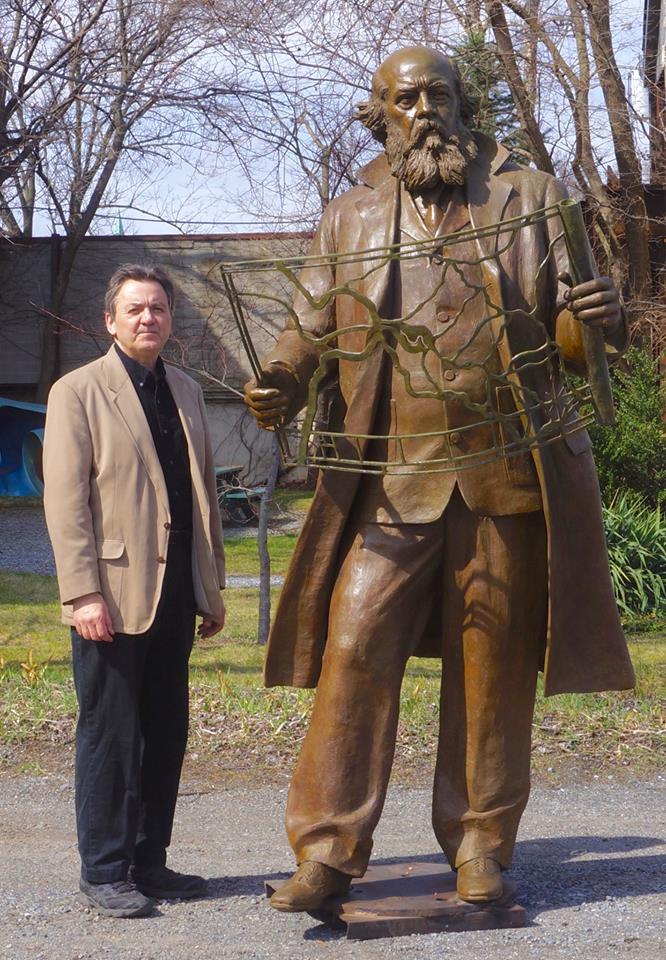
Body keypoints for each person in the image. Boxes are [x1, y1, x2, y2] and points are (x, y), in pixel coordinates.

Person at [244, 46, 634, 911]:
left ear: (462, 104)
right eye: (408, 98)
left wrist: (588, 317)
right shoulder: (349, 217)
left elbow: (572, 342)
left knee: (491, 669)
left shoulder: (530, 197)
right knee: (354, 648)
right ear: (379, 113)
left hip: (505, 473)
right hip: (392, 480)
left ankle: (480, 848)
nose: (427, 110)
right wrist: (278, 377)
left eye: (440, 94)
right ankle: (328, 851)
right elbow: (309, 324)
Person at [43, 264, 226, 918]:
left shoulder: (185, 390)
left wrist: (209, 589)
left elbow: (203, 494)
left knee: (164, 733)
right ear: (110, 320)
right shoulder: (78, 392)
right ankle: (103, 869)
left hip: (174, 593)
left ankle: (150, 862)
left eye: (157, 309)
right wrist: (82, 594)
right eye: (135, 309)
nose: (148, 318)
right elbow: (66, 506)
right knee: (110, 735)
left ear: (169, 321)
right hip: (112, 597)